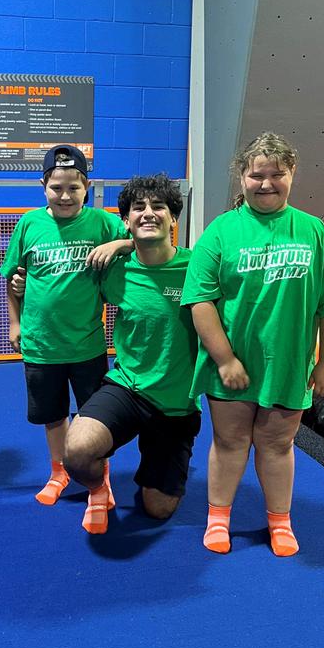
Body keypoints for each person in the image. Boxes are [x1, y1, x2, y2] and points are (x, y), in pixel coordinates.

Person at [180, 132, 324, 556]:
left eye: (276, 174)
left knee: (278, 445)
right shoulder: (222, 231)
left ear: (292, 174)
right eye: (256, 175)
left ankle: (279, 521)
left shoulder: (314, 233)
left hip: (287, 364)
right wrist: (224, 359)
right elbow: (200, 301)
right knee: (229, 443)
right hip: (233, 365)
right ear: (241, 178)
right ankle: (218, 517)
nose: (266, 183)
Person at [0, 145, 133, 521]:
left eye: (73, 188)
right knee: (54, 416)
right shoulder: (29, 224)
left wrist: (119, 242)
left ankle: (100, 478)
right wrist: (15, 322)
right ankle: (59, 472)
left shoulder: (102, 223)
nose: (64, 196)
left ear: (86, 187)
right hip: (41, 345)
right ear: (43, 186)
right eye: (56, 187)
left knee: (94, 419)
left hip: (87, 344)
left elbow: (141, 242)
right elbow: (13, 277)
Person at [63, 174, 201, 534]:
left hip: (176, 404)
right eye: (138, 208)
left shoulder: (198, 268)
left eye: (159, 207)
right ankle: (100, 487)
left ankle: (163, 459)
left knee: (158, 509)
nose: (148, 213)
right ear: (126, 220)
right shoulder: (114, 271)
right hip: (128, 388)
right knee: (77, 452)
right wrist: (19, 287)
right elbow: (58, 290)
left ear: (174, 218)